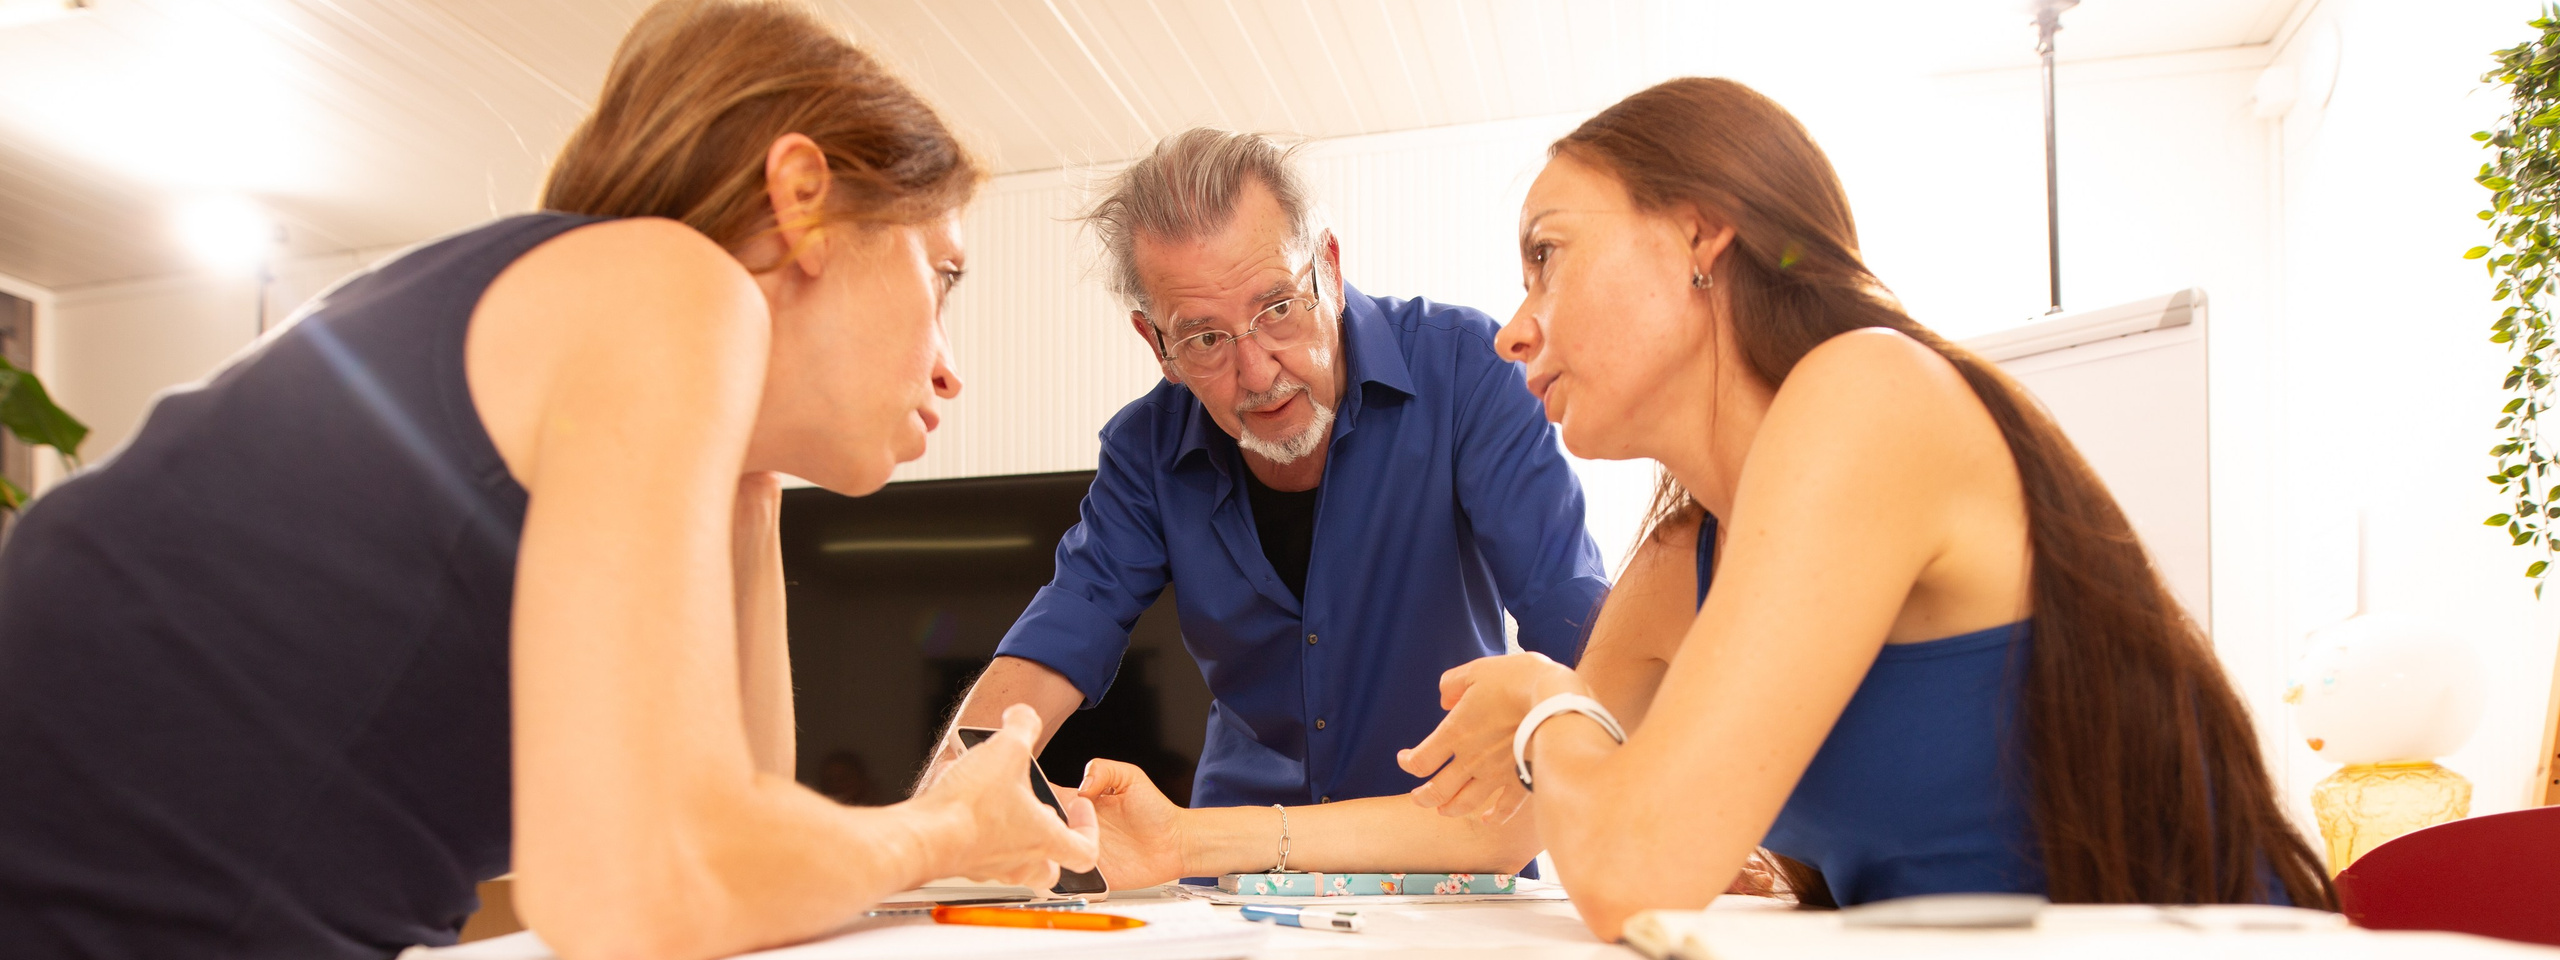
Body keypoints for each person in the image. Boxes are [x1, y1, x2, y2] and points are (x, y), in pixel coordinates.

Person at [0, 3, 1095, 958]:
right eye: (942, 273)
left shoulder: (625, 359)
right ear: (800, 197)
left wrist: (754, 474)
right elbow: (647, 890)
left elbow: (737, 862)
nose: (950, 360)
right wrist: (950, 830)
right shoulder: (663, 281)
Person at [1394, 77, 2333, 938]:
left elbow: (1628, 865)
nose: (1515, 330)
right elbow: (1534, 820)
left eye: (1546, 256)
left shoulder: (1872, 391)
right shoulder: (1681, 564)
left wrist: (1546, 705)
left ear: (1699, 232)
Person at [923, 129, 1609, 887]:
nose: (1257, 369)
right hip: (1229, 875)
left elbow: (1572, 618)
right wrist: (937, 821)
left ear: (1331, 271)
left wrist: (1646, 790)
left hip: (1448, 860)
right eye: (1206, 339)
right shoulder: (1145, 452)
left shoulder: (1469, 372)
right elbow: (1064, 630)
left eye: (1278, 306)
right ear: (1158, 347)